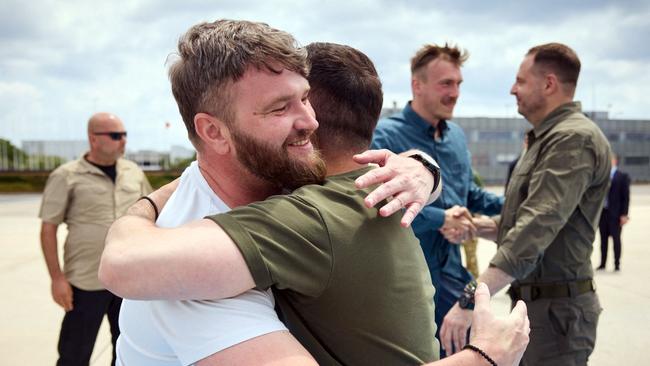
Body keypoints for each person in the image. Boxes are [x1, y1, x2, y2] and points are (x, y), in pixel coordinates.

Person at [100, 35, 530, 366]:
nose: (308, 121)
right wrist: (483, 357)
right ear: (213, 132)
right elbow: (121, 265)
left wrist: (423, 169)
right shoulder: (195, 268)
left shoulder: (296, 197)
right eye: (279, 108)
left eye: (305, 98)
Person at [440, 43, 611, 366]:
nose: (512, 89)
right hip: (540, 308)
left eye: (520, 81)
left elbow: (535, 228)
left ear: (548, 84)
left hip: (557, 315)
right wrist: (478, 226)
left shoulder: (572, 139)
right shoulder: (545, 138)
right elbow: (524, 220)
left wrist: (472, 299)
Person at [370, 43, 504, 352]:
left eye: (458, 84)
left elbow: (469, 193)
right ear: (417, 85)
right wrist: (441, 218)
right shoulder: (385, 136)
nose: (455, 92)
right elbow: (377, 205)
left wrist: (519, 202)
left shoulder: (455, 136)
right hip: (408, 282)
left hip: (453, 276)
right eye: (446, 83)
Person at [39, 112, 152, 366]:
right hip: (85, 283)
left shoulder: (133, 172)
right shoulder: (66, 176)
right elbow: (48, 229)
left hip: (128, 280)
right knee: (74, 355)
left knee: (126, 351)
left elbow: (153, 215)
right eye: (115, 135)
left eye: (124, 135)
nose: (123, 140)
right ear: (93, 139)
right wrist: (57, 279)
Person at [597, 153, 631, 271]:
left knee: (616, 240)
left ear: (615, 161)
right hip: (603, 213)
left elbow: (626, 197)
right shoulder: (602, 176)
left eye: (609, 159)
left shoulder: (622, 177)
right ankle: (602, 263)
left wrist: (624, 215)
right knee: (603, 240)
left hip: (616, 214)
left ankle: (617, 264)